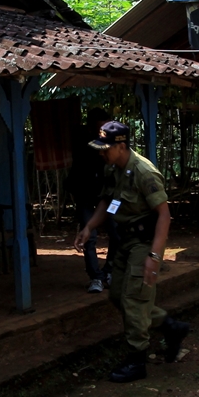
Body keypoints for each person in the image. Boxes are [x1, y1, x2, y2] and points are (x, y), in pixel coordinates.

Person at [73, 121, 188, 383]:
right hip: (125, 240)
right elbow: (107, 200)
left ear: (122, 146)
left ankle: (137, 360)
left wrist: (155, 257)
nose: (101, 153)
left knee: (134, 300)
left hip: (145, 242)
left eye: (106, 148)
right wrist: (89, 227)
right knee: (117, 296)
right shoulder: (112, 168)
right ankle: (171, 327)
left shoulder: (144, 172)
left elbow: (164, 216)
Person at [67, 107, 119, 293]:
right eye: (99, 129)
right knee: (89, 236)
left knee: (116, 230)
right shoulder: (82, 142)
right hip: (85, 194)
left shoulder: (113, 142)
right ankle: (95, 277)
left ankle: (109, 271)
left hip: (107, 196)